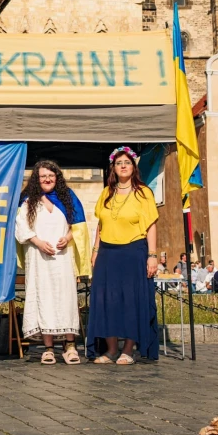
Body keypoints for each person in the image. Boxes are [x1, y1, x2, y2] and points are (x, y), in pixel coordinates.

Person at [87, 146, 159, 365]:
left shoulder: (143, 192)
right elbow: (101, 224)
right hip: (108, 252)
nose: (123, 166)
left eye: (127, 162)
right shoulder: (106, 192)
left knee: (130, 301)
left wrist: (152, 255)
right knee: (107, 300)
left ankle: (128, 349)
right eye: (119, 163)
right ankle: (110, 350)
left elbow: (151, 225)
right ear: (114, 167)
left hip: (133, 251)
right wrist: (95, 250)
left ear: (133, 166)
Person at [14, 160, 90, 366]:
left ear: (57, 177)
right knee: (43, 297)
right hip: (38, 258)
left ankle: (70, 345)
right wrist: (38, 242)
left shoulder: (68, 198)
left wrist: (68, 238)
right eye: (43, 176)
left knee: (65, 297)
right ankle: (48, 348)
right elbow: (21, 227)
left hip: (62, 257)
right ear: (37, 180)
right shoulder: (28, 200)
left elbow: (79, 225)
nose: (47, 179)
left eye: (51, 175)